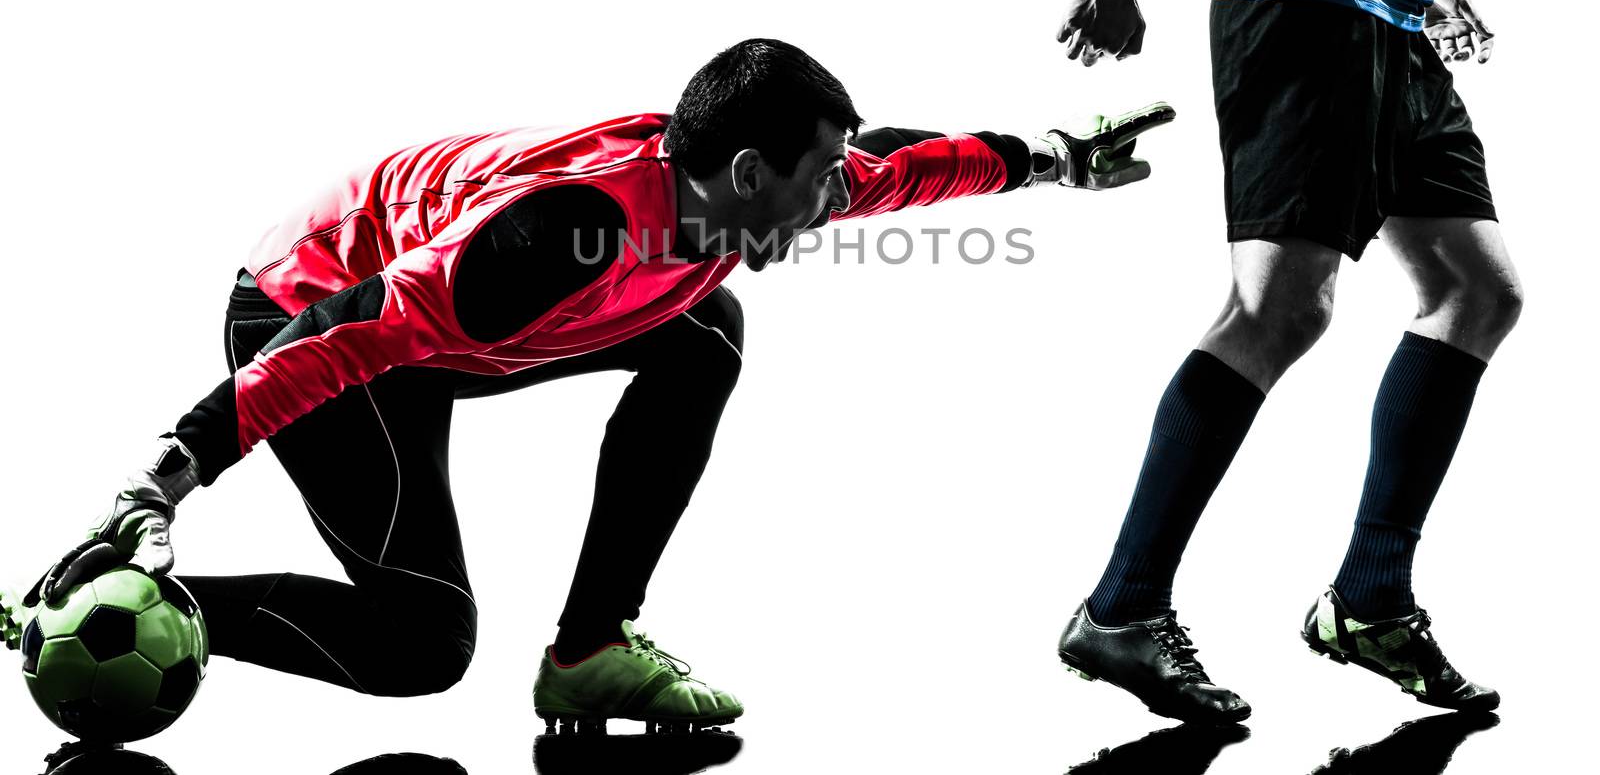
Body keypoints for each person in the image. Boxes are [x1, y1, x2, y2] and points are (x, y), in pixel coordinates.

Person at [4, 38, 1173, 733]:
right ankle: (90, 603)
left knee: (703, 326)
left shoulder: (740, 185)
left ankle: (590, 647)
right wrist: (164, 476)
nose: (839, 200)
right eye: (821, 182)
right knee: (418, 647)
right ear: (753, 168)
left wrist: (1056, 160)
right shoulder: (567, 235)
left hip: (445, 326)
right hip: (313, 309)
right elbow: (342, 334)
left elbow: (908, 165)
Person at [1053, 0, 1523, 723]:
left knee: (1476, 293)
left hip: (1387, 16)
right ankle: (1121, 607)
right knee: (1280, 308)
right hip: (1303, 2)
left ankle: (1370, 600)